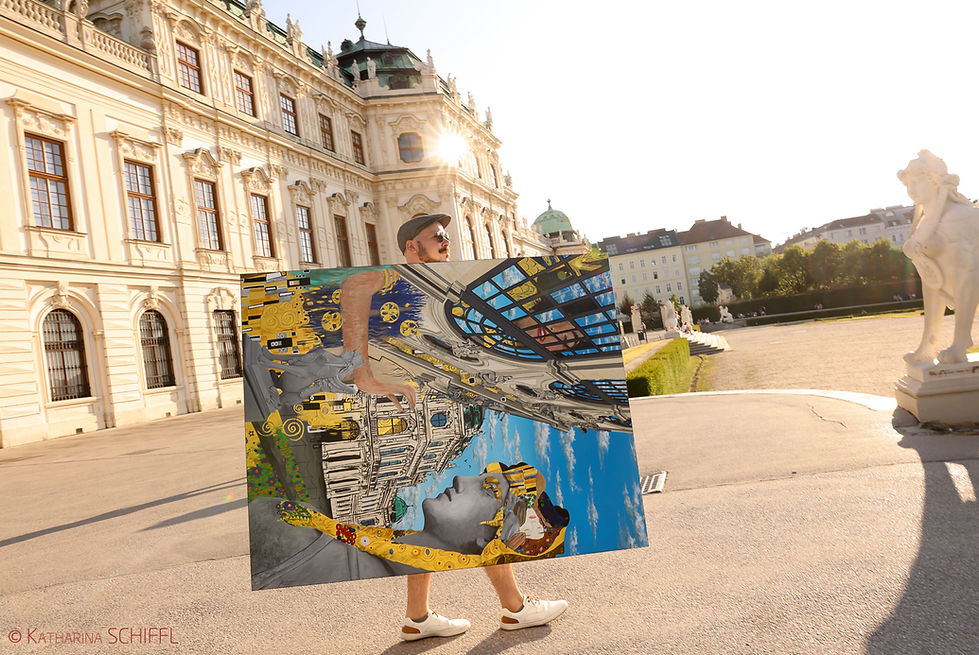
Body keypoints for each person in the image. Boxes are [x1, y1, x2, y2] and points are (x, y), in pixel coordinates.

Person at [395, 214, 569, 640]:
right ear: (410, 248)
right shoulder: (404, 290)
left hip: (436, 416)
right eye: (435, 237)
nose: (445, 241)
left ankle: (418, 619)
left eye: (447, 236)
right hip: (415, 416)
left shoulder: (448, 293)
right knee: (485, 508)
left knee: (443, 523)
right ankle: (514, 609)